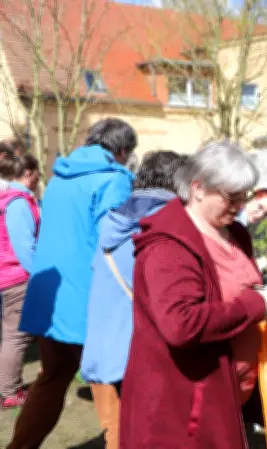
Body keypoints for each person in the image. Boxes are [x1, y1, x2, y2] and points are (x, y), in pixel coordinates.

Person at [119, 140, 267, 449]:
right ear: (198, 187)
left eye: (245, 196)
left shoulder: (235, 233)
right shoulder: (168, 246)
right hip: (184, 406)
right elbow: (180, 324)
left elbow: (232, 292)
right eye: (232, 196)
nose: (240, 206)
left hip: (227, 393)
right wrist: (258, 305)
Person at [9, 118, 136, 449]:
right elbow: (114, 244)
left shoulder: (58, 177)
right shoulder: (114, 182)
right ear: (122, 151)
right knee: (110, 386)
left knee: (51, 379)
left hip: (51, 300)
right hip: (90, 302)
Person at [80, 150, 186, 449]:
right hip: (140, 353)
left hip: (103, 348)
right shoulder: (167, 224)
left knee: (116, 435)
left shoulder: (112, 220)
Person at [0, 153, 40, 409]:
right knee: (16, 336)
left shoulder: (7, 199)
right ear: (27, 173)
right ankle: (10, 391)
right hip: (17, 277)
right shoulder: (17, 203)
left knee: (10, 335)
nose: (39, 178)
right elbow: (25, 247)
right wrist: (39, 275)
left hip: (7, 274)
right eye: (37, 173)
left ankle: (7, 386)